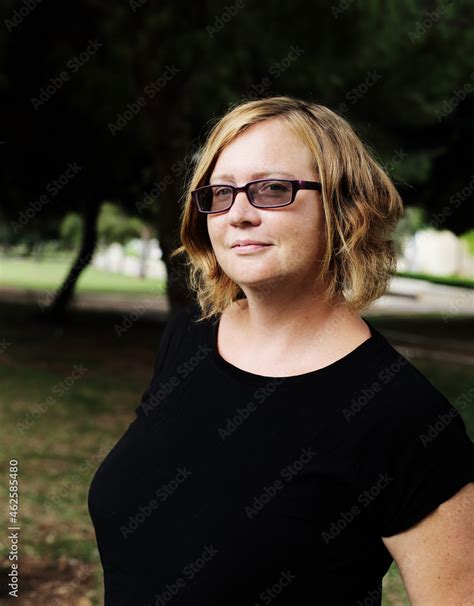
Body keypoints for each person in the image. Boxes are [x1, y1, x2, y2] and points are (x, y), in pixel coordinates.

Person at [88, 95, 474, 605]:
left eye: (271, 189)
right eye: (220, 193)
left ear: (344, 207)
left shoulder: (406, 418)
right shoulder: (189, 337)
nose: (238, 214)